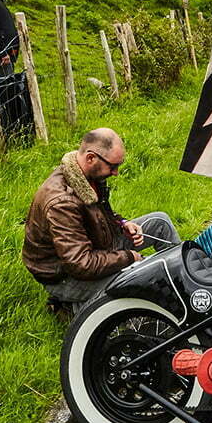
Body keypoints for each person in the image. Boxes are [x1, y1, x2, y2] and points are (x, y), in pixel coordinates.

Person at [22, 128, 182, 313]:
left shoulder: (87, 175)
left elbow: (100, 215)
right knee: (143, 275)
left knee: (159, 222)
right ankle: (73, 306)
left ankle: (181, 278)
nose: (116, 173)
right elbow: (81, 264)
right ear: (91, 158)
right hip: (66, 276)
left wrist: (122, 224)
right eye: (113, 167)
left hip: (98, 248)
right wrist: (129, 258)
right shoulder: (61, 203)